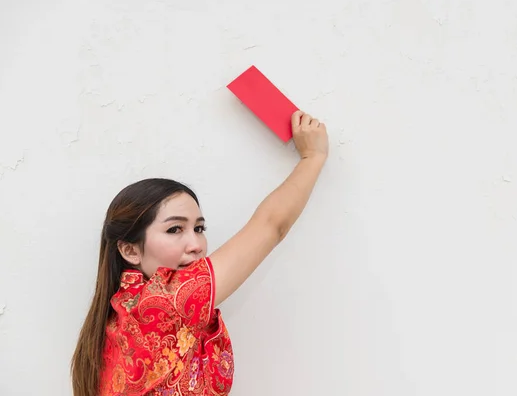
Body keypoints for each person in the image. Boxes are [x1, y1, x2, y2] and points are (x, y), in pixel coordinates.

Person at [70, 110, 329, 396]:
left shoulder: (122, 315)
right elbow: (271, 226)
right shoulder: (161, 305)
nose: (196, 244)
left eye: (199, 228)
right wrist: (312, 157)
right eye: (174, 230)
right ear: (130, 250)